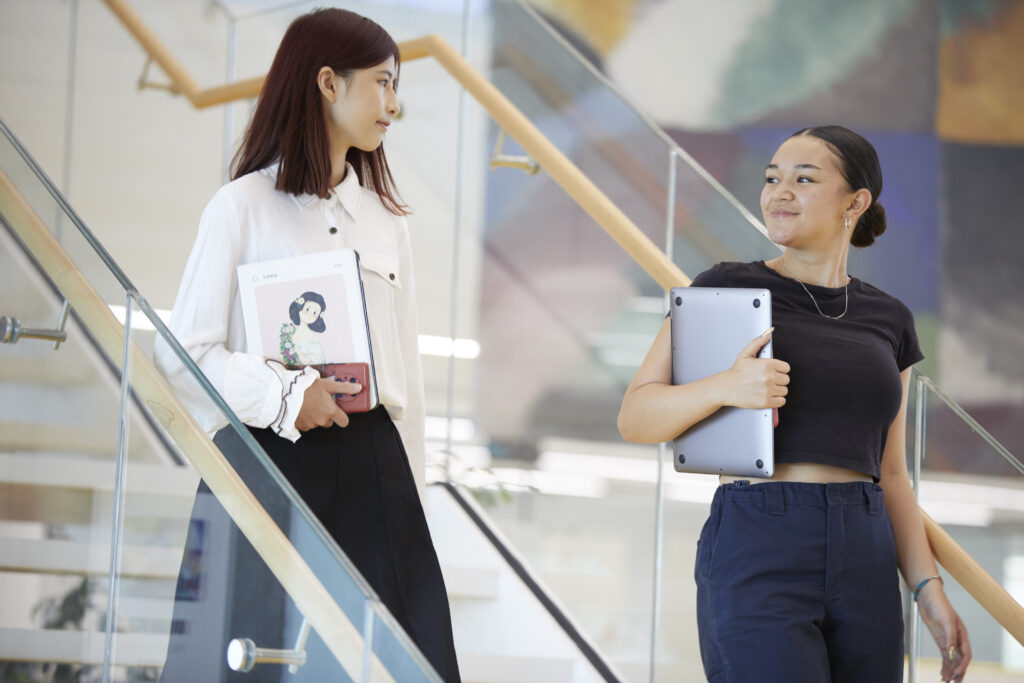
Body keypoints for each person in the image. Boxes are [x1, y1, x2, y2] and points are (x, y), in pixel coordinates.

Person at [155, 8, 460, 681]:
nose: (393, 104)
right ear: (328, 82)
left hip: (375, 473)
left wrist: (413, 506)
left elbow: (406, 381)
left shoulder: (388, 224)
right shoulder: (240, 207)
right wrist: (286, 395)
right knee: (250, 657)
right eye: (382, 83)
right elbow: (181, 356)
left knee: (395, 662)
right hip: (268, 462)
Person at [618, 126, 970, 683]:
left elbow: (892, 474)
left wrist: (928, 590)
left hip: (867, 545)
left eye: (804, 180)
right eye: (771, 178)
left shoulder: (890, 318)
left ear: (855, 203)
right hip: (760, 537)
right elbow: (636, 417)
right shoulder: (726, 286)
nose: (779, 192)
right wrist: (726, 387)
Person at [283, 291, 327, 365]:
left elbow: (308, 362)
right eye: (307, 309)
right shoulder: (290, 332)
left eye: (314, 313)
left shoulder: (313, 337)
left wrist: (296, 348)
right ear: (300, 307)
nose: (310, 315)